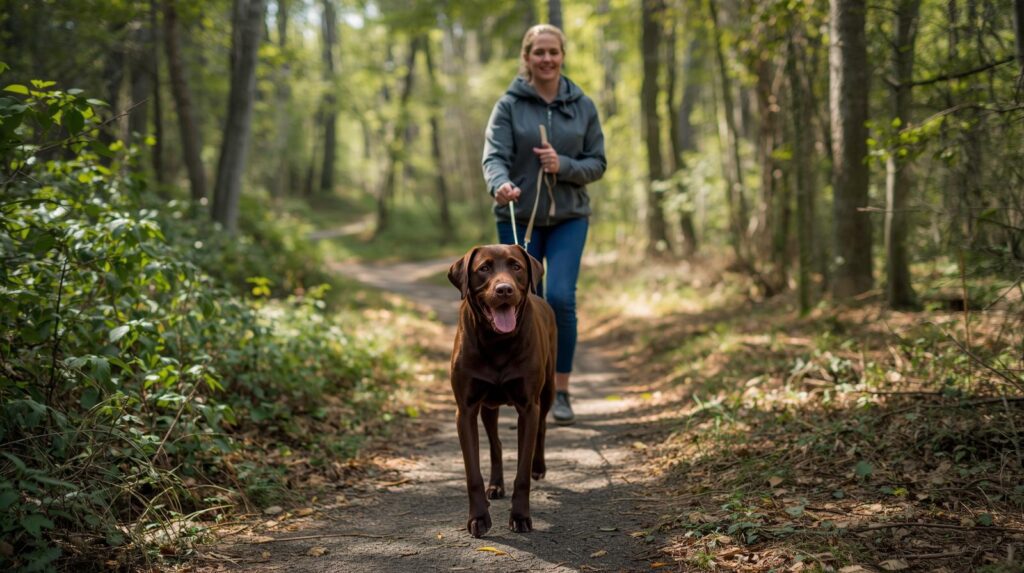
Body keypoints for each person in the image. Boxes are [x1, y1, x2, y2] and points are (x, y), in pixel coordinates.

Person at [481, 24, 607, 425]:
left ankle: (561, 388)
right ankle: (511, 382)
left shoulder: (582, 105)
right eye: (539, 52)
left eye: (554, 52)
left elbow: (598, 162)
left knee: (559, 298)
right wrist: (499, 184)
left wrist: (563, 165)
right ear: (527, 56)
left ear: (563, 55)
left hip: (570, 217)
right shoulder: (508, 105)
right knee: (519, 298)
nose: (547, 59)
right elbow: (494, 157)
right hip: (519, 218)